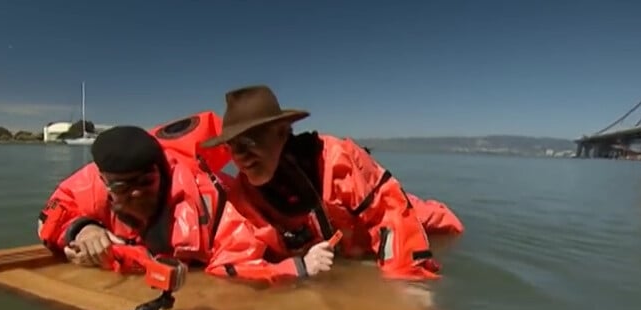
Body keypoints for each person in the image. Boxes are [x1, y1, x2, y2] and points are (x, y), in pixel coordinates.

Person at [199, 85, 464, 286]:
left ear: (281, 133)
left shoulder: (337, 160)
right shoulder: (242, 199)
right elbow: (230, 262)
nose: (240, 158)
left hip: (409, 226)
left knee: (450, 228)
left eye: (249, 143)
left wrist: (410, 286)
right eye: (232, 148)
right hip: (344, 255)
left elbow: (392, 215)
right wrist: (297, 267)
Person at [36, 114, 233, 271]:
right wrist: (82, 229)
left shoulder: (208, 196)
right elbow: (51, 217)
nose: (137, 193)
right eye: (123, 187)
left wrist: (115, 254)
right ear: (104, 181)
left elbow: (234, 260)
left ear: (160, 171)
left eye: (146, 182)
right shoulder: (88, 184)